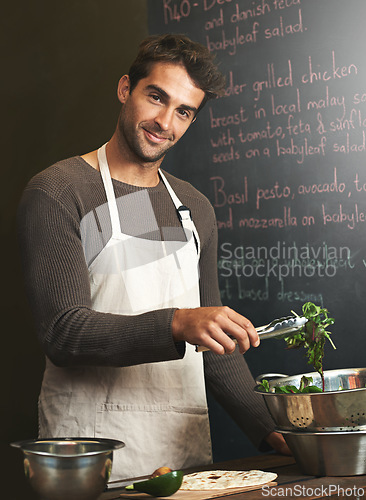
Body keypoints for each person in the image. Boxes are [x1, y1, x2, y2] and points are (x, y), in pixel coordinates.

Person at [17, 33, 289, 482]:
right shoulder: (59, 191)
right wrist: (177, 322)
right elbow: (62, 334)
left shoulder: (194, 207)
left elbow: (214, 350)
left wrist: (273, 433)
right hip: (90, 457)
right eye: (156, 97)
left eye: (184, 111)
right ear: (126, 89)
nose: (165, 122)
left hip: (181, 460)